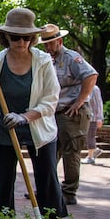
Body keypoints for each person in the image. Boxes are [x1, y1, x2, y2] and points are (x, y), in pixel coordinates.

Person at [0, 8, 68, 219]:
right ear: (6, 37)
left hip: (38, 127)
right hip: (6, 127)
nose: (21, 42)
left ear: (33, 38)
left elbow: (51, 99)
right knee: (4, 179)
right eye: (15, 37)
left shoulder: (43, 61)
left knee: (47, 178)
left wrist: (25, 117)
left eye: (26, 37)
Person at [39, 24, 98, 205]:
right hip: (54, 113)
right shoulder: (47, 60)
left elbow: (91, 75)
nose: (48, 48)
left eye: (51, 44)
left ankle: (69, 192)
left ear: (60, 41)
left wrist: (80, 101)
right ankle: (48, 189)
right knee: (49, 152)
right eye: (45, 45)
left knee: (71, 153)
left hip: (72, 114)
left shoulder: (72, 58)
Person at [82, 84, 104, 165]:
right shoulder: (83, 87)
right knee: (87, 136)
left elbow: (99, 104)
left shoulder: (94, 89)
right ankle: (94, 150)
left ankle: (91, 157)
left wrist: (99, 118)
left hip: (93, 117)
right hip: (87, 117)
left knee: (90, 136)